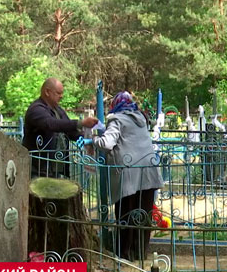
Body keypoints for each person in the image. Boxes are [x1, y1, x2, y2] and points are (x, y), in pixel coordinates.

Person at [78, 91, 164, 261]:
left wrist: (91, 140)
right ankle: (139, 253)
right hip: (148, 171)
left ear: (116, 105)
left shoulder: (116, 119)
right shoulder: (141, 119)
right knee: (143, 214)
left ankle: (124, 254)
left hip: (128, 173)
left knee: (126, 213)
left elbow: (107, 143)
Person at [22, 78, 98, 177]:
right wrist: (81, 123)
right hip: (37, 169)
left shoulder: (58, 110)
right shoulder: (36, 109)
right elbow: (51, 124)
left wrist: (87, 139)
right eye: (58, 93)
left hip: (55, 169)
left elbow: (68, 129)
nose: (61, 96)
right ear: (47, 92)